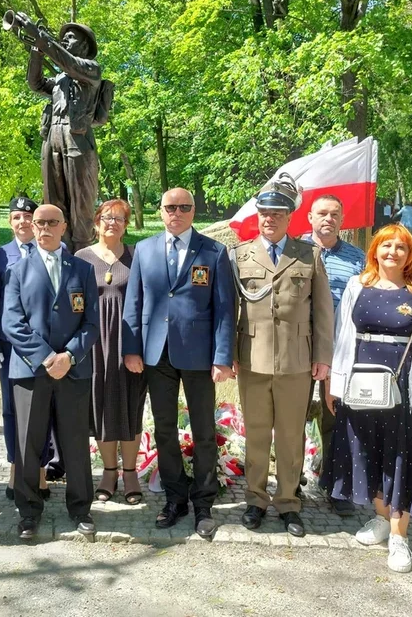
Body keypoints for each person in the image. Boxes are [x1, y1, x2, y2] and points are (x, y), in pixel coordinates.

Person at [322, 223, 412, 573]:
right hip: (362, 388)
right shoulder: (356, 286)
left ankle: (399, 535)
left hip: (409, 391)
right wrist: (335, 385)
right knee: (368, 452)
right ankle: (382, 518)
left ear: (410, 254)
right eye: (386, 246)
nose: (392, 252)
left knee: (405, 457)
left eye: (401, 247)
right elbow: (342, 337)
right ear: (374, 250)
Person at [123, 188, 235, 538]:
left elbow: (225, 310)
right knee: (165, 430)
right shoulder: (144, 249)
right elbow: (134, 303)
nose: (177, 213)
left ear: (193, 210)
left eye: (184, 207)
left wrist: (222, 357)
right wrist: (132, 349)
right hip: (157, 355)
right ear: (161, 211)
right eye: (171, 207)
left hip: (200, 356)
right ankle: (175, 498)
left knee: (204, 432)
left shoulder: (214, 251)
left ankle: (203, 502)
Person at [230, 175, 334, 538]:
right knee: (257, 434)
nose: (269, 218)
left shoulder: (310, 255)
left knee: (291, 436)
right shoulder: (240, 255)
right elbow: (231, 310)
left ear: (291, 216)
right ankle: (256, 499)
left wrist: (323, 357)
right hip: (253, 359)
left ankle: (289, 502)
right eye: (264, 213)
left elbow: (322, 313)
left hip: (297, 361)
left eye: (277, 213)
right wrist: (228, 355)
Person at [2, 204, 100, 540]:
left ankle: (81, 508)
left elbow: (91, 322)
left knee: (74, 442)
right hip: (31, 371)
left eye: (50, 223)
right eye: (38, 222)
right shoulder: (18, 269)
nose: (43, 227)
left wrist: (69, 356)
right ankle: (29, 512)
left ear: (64, 227)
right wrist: (47, 358)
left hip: (73, 371)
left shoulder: (83, 270)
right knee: (29, 442)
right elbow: (11, 322)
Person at [75, 199, 145, 504]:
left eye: (119, 218)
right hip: (95, 346)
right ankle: (108, 471)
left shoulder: (137, 256)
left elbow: (145, 301)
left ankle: (130, 473)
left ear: (126, 224)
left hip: (129, 346)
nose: (112, 223)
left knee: (131, 408)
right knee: (101, 406)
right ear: (95, 223)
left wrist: (137, 348)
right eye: (106, 217)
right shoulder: (81, 258)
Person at [16, 13, 103, 251]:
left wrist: (43, 38)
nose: (64, 40)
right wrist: (36, 49)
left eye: (71, 37)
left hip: (78, 141)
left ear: (85, 45)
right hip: (52, 139)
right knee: (54, 202)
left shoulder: (91, 69)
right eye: (63, 37)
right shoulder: (60, 79)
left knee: (81, 204)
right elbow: (35, 83)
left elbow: (71, 64)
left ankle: (84, 255)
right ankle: (58, 250)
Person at [302, 194, 366, 516]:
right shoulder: (293, 250)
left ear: (342, 220)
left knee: (337, 418)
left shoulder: (357, 259)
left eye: (335, 214)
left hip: (340, 351)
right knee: (292, 418)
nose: (328, 219)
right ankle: (292, 480)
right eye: (322, 213)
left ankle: (336, 484)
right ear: (310, 217)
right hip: (297, 347)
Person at [0, 196, 51, 500]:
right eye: (16, 217)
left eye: (28, 216)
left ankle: (39, 471)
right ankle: (15, 468)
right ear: (11, 223)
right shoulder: (0, 256)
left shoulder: (49, 252)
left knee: (44, 409)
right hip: (11, 347)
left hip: (44, 346)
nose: (23, 222)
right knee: (12, 411)